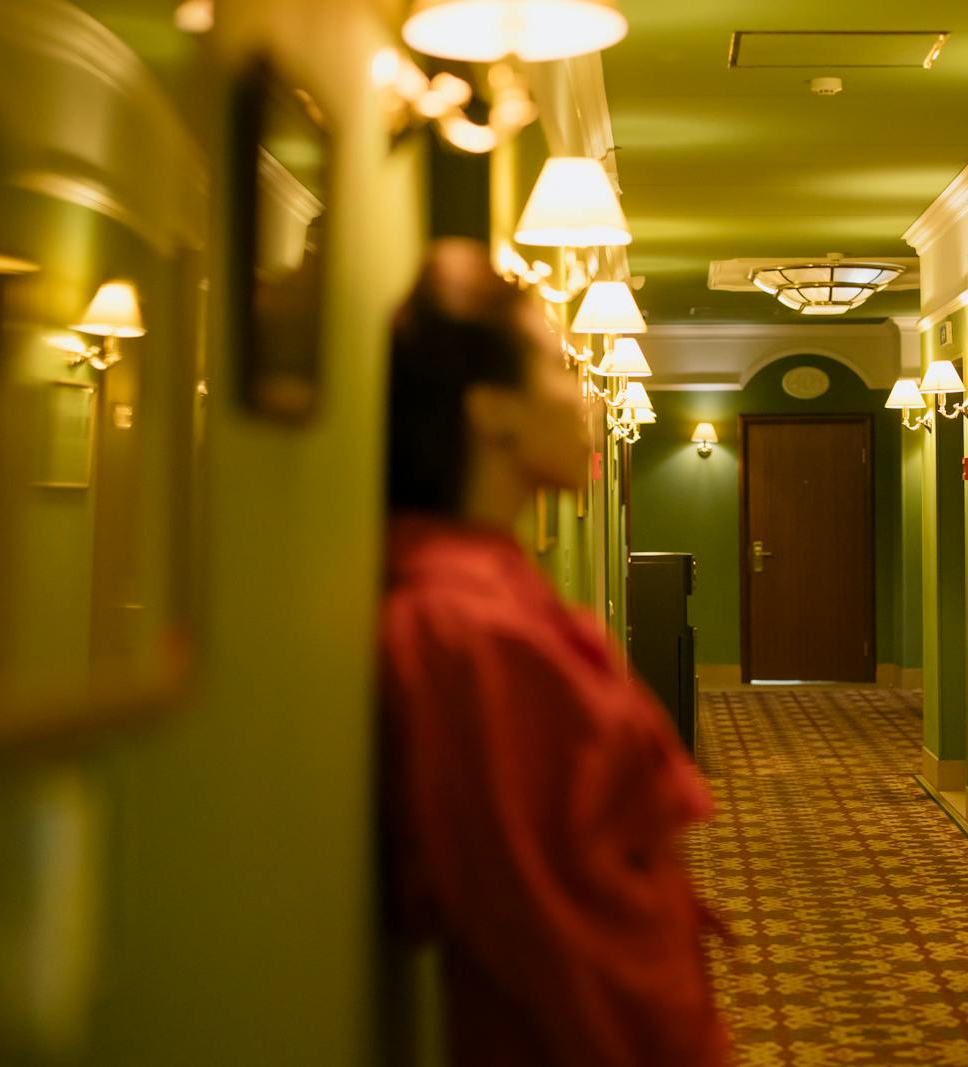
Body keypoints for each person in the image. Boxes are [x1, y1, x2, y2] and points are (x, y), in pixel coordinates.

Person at [378, 240, 728, 1066]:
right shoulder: (472, 630)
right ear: (489, 409)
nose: (589, 397)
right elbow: (559, 940)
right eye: (559, 368)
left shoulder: (499, 588)